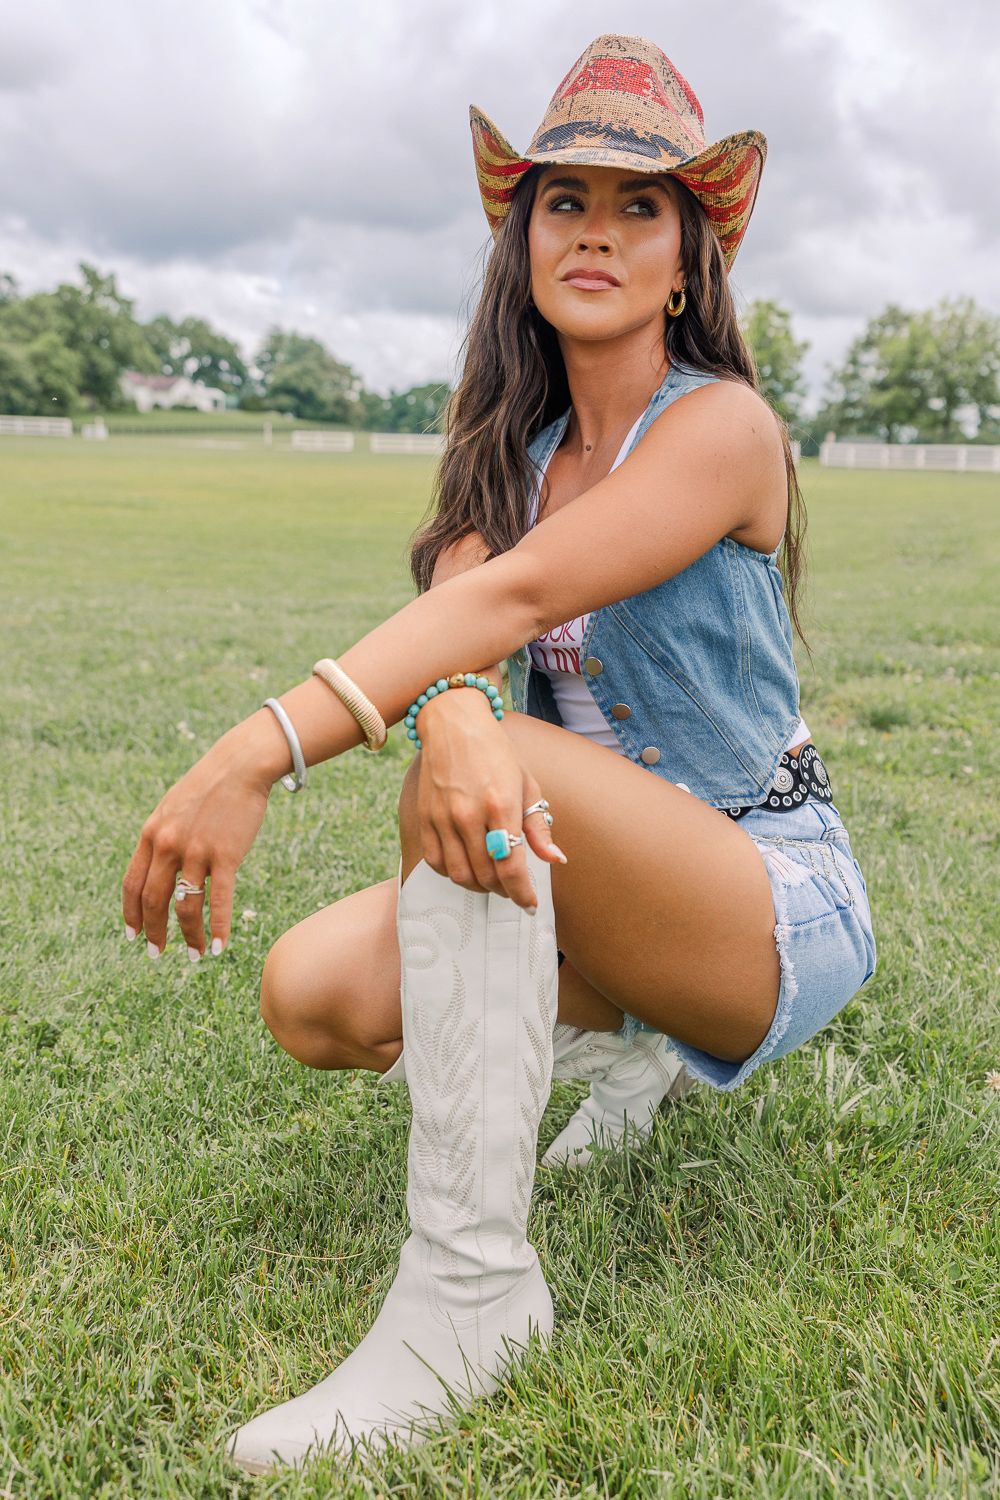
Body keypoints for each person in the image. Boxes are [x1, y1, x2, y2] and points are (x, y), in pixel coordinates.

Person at [120, 33, 877, 1476]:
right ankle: (637, 1052)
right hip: (604, 876)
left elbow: (504, 604)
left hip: (769, 897)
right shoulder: (508, 456)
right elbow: (463, 612)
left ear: (690, 255)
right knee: (314, 994)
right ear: (521, 236)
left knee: (491, 743)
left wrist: (257, 753)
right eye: (565, 198)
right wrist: (457, 708)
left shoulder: (723, 429)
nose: (596, 228)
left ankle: (471, 1296)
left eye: (638, 204)